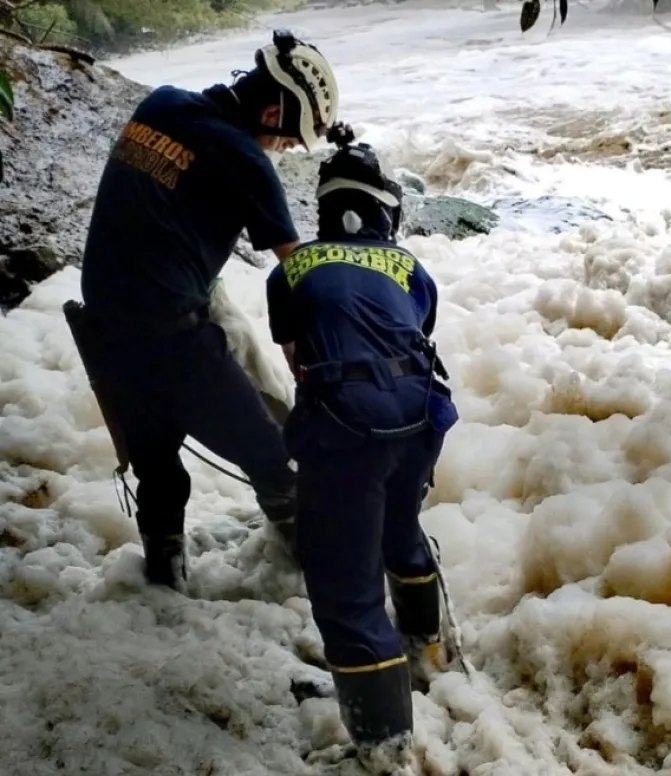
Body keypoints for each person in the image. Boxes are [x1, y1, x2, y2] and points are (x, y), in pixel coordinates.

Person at [76, 29, 341, 592]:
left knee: (159, 471)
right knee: (279, 462)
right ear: (271, 111)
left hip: (105, 330)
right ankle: (321, 583)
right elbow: (296, 273)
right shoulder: (246, 158)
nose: (285, 151)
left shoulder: (161, 103)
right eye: (289, 140)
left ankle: (162, 589)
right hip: (171, 341)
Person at [265, 140, 459, 774]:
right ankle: (429, 652)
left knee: (346, 586)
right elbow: (415, 333)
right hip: (423, 417)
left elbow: (299, 357)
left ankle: (384, 749)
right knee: (399, 529)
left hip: (346, 426)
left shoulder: (291, 270)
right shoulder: (408, 266)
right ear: (385, 213)